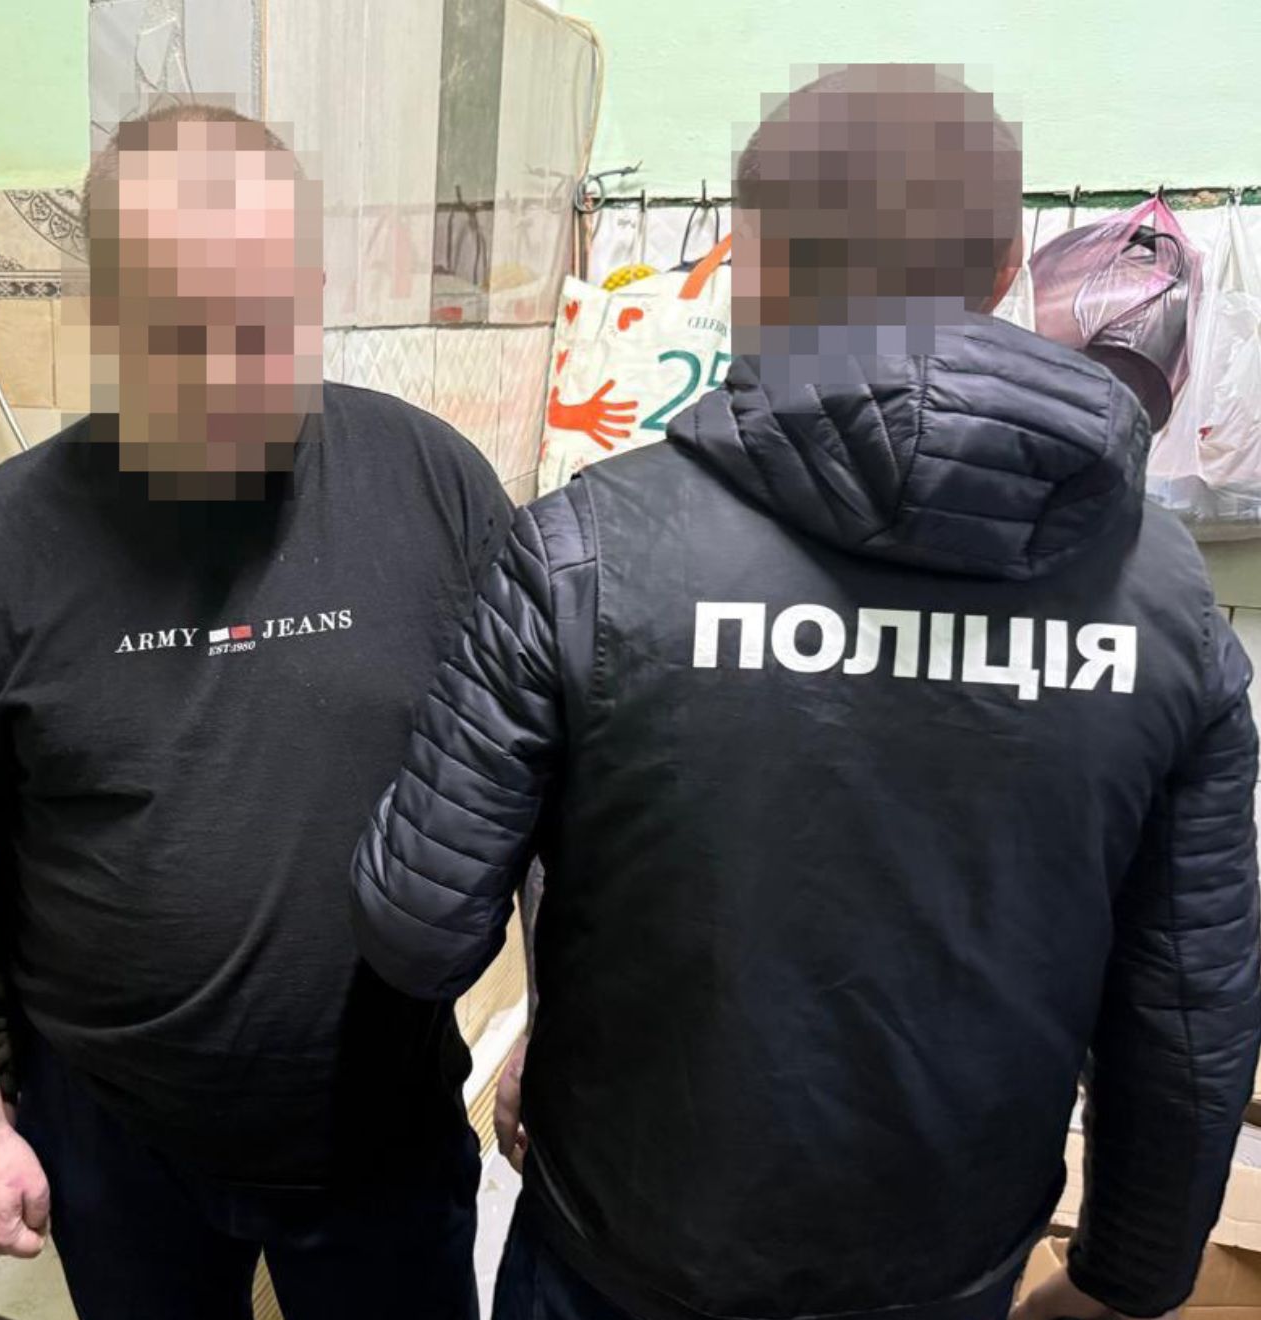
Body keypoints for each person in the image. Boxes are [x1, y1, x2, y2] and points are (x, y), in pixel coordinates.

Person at [351, 64, 1261, 1320]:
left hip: (622, 1249)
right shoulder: (1162, 600)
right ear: (1007, 266)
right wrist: (1127, 1279)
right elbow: (1188, 1008)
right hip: (942, 1269)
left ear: (753, 258)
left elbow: (417, 931)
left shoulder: (589, 550)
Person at [0, 103, 513, 1320]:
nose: (225, 377)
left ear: (310, 291)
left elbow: (533, 778)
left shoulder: (436, 487)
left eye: (260, 327)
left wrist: (560, 1031)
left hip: (383, 1117)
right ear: (105, 317)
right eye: (178, 333)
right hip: (115, 1135)